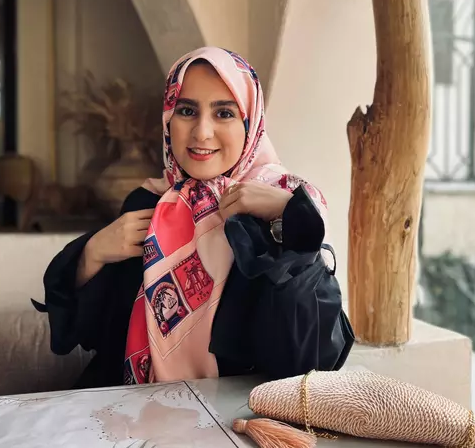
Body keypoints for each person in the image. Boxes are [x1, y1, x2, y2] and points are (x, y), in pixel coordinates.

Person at [34, 47, 353, 388]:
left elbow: (309, 363)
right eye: (187, 110)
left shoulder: (275, 214)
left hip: (229, 414)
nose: (202, 132)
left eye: (224, 113)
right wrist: (92, 254)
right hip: (126, 408)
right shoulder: (148, 202)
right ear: (168, 119)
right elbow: (96, 337)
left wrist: (289, 220)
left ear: (251, 123)